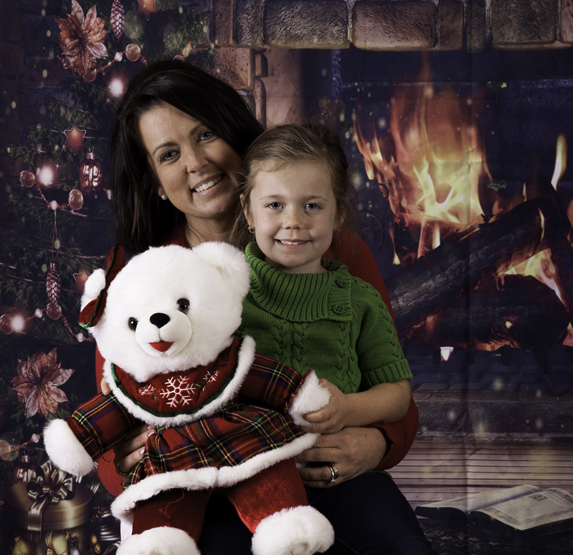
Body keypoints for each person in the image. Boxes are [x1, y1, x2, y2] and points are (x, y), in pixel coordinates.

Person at [102, 59, 434, 554]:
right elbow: (110, 416)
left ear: (235, 134)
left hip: (326, 476)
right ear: (153, 180)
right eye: (169, 154)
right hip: (213, 487)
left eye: (205, 133)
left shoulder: (333, 252)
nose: (195, 162)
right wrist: (125, 458)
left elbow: (394, 394)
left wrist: (375, 444)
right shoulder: (146, 276)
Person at [236, 123, 412, 439]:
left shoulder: (360, 301)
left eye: (312, 206)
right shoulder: (225, 295)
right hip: (249, 464)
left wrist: (349, 409)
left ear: (338, 214)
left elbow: (397, 395)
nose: (293, 222)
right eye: (275, 205)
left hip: (338, 466)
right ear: (248, 212)